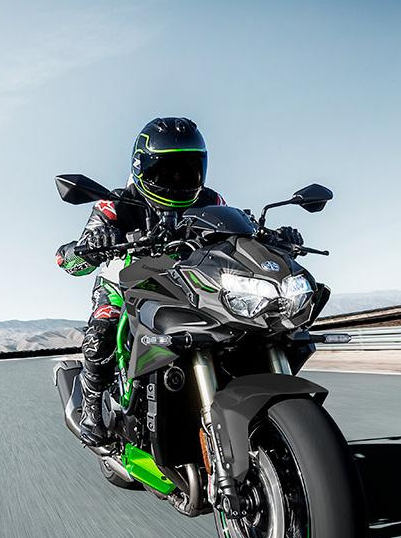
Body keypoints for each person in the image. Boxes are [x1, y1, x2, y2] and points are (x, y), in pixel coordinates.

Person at [55, 117, 302, 446]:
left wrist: (270, 235)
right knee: (101, 331)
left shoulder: (212, 200)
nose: (176, 179)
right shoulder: (114, 203)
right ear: (141, 168)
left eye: (187, 170)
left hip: (191, 282)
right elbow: (70, 262)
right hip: (125, 284)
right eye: (165, 171)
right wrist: (90, 246)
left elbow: (236, 235)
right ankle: (92, 411)